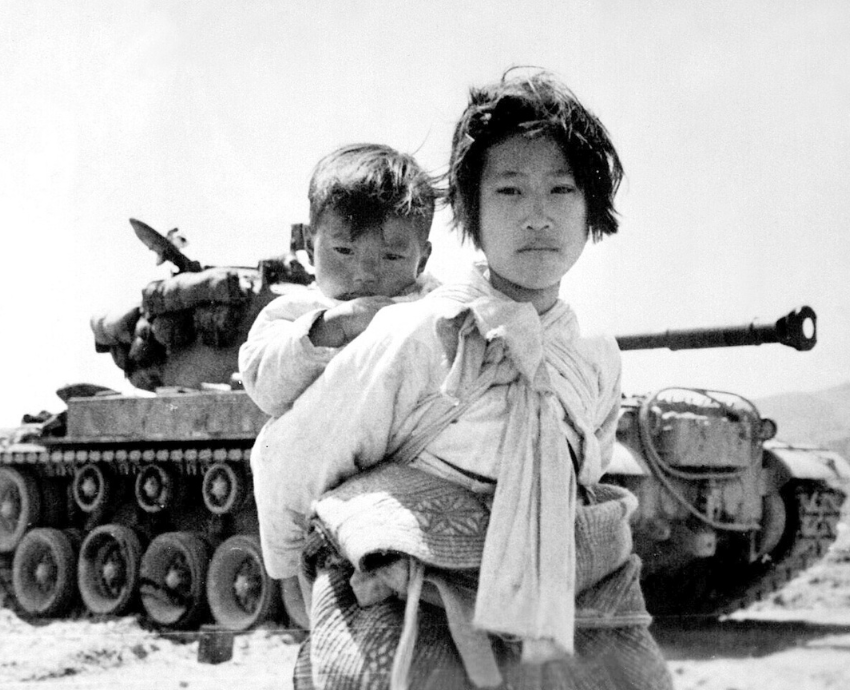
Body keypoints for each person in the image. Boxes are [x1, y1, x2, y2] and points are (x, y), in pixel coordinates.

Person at [253, 70, 672, 689]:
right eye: (508, 192)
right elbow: (296, 452)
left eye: (561, 190)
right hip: (412, 595)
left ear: (591, 212)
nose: (537, 217)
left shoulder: (595, 356)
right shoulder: (416, 333)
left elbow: (585, 471)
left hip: (558, 597)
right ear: (471, 213)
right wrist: (292, 574)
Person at [239, 143, 439, 626]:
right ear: (310, 246)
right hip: (315, 484)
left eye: (392, 255)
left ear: (422, 256)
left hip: (404, 472)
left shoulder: (432, 303)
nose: (365, 274)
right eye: (344, 250)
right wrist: (330, 328)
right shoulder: (295, 312)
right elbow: (262, 382)